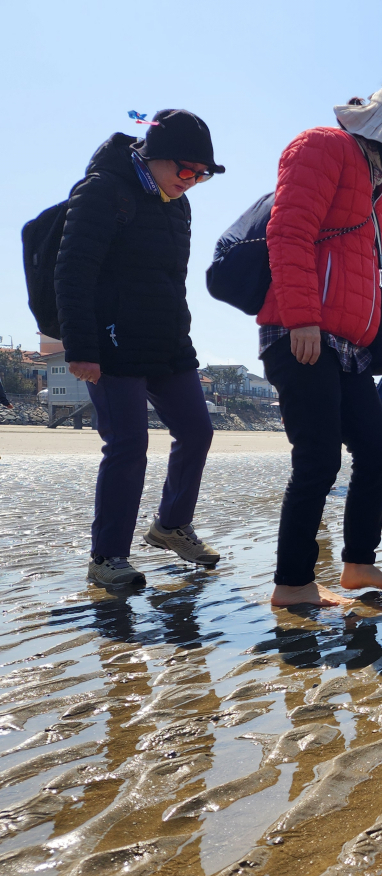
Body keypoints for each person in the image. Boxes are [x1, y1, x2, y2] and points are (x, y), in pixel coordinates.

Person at [259, 70, 382, 606]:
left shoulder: (375, 185)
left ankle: (357, 565)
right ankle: (293, 584)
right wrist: (302, 317)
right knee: (319, 459)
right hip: (299, 333)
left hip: (344, 346)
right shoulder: (322, 146)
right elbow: (290, 230)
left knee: (375, 451)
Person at [55, 109, 224, 587]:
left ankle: (170, 526)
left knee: (198, 431)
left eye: (203, 174)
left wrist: (182, 336)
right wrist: (82, 347)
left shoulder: (179, 205)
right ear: (153, 157)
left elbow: (173, 281)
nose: (192, 181)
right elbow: (72, 272)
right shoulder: (103, 190)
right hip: (110, 344)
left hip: (168, 342)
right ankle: (107, 558)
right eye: (186, 170)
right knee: (128, 446)